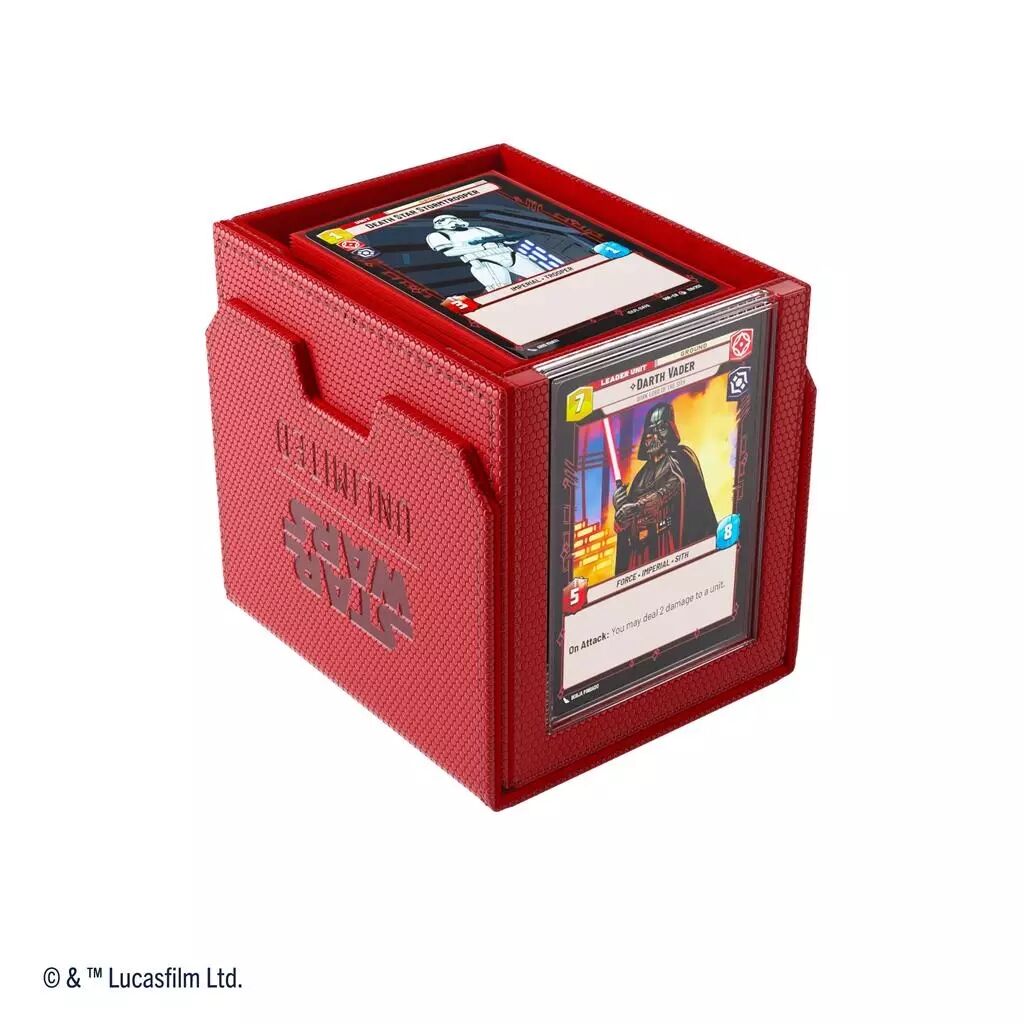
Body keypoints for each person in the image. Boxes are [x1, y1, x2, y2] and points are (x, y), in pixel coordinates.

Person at [613, 402, 718, 572]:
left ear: (670, 430)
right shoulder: (640, 478)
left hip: (668, 543)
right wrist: (620, 513)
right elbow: (626, 523)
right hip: (640, 554)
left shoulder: (680, 458)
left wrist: (639, 506)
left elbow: (674, 486)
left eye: (660, 429)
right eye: (650, 432)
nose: (654, 437)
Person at [425, 213, 543, 292]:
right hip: (483, 260)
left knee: (542, 276)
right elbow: (449, 252)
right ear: (439, 223)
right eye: (447, 219)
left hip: (508, 254)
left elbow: (504, 239)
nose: (454, 221)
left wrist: (511, 239)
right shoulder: (438, 235)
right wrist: (480, 246)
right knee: (502, 290)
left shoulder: (479, 228)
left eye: (454, 218)